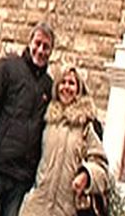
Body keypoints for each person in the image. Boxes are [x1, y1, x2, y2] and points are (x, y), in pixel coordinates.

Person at [0, 23, 55, 216]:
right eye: (38, 43)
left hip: (21, 179)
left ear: (51, 51)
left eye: (46, 47)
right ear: (30, 42)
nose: (40, 50)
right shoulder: (7, 67)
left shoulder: (48, 87)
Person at [18, 67, 109, 216]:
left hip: (67, 210)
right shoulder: (46, 120)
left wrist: (87, 176)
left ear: (79, 89)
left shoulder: (87, 125)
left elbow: (102, 167)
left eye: (71, 83)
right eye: (63, 83)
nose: (66, 87)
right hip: (36, 207)